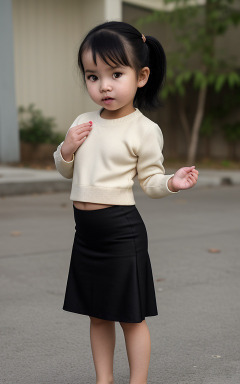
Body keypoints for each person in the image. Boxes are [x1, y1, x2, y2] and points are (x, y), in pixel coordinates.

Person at [53, 21, 198, 384]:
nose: (104, 85)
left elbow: (150, 182)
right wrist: (67, 149)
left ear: (141, 75)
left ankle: (138, 381)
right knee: (97, 314)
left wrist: (172, 183)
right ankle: (104, 379)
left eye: (115, 73)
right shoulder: (82, 122)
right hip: (85, 235)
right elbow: (65, 170)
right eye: (92, 76)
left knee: (130, 316)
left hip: (121, 233)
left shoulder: (144, 130)